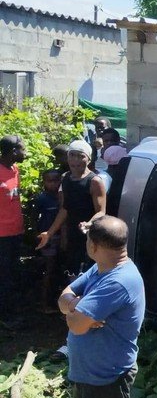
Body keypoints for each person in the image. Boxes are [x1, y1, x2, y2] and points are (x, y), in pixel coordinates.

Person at [58, 215, 145, 398]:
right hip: (91, 373)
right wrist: (76, 305)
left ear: (93, 245)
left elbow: (76, 325)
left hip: (107, 376)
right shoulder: (101, 268)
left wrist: (74, 311)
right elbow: (63, 297)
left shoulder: (117, 281)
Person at [37, 140, 106, 278]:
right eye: (72, 155)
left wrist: (89, 223)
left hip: (89, 237)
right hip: (72, 235)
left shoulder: (94, 181)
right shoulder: (66, 178)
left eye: (81, 156)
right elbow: (65, 209)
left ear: (88, 158)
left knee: (87, 277)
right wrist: (49, 233)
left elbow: (101, 212)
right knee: (72, 275)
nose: (76, 160)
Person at [0, 135, 27, 323]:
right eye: (22, 149)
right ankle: (6, 317)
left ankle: (11, 310)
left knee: (12, 274)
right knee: (4, 275)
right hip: (1, 235)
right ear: (13, 151)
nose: (25, 153)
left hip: (15, 233)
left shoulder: (15, 169)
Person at [34, 169, 63, 313]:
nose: (53, 184)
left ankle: (57, 301)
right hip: (48, 238)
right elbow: (34, 218)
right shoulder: (42, 198)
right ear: (44, 182)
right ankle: (44, 303)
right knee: (49, 269)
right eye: (49, 181)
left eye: (56, 180)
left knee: (58, 268)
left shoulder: (62, 197)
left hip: (62, 236)